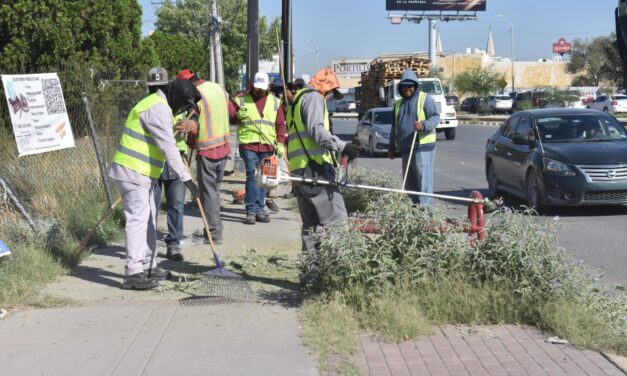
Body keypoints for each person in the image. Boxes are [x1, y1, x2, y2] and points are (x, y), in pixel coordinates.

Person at [109, 71, 200, 290]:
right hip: (133, 171)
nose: (181, 110)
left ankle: (148, 264)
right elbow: (168, 147)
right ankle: (133, 272)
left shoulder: (160, 106)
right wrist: (188, 180)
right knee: (138, 220)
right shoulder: (156, 108)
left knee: (149, 219)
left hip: (143, 173)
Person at [286, 67, 360, 255]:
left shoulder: (297, 100)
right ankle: (338, 269)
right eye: (331, 95)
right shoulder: (314, 98)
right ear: (326, 88)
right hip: (314, 169)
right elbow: (317, 132)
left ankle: (310, 272)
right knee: (337, 220)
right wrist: (343, 147)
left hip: (299, 171)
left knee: (311, 227)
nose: (329, 99)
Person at [176, 69, 231, 245]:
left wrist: (191, 138)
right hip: (223, 147)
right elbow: (229, 112)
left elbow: (195, 124)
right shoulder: (218, 88)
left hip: (208, 150)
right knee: (214, 192)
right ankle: (215, 229)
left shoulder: (196, 95)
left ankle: (214, 233)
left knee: (208, 195)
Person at [232, 72, 286, 225]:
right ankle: (251, 210)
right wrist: (237, 116)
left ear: (268, 87)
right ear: (252, 86)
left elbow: (280, 124)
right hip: (248, 144)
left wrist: (280, 142)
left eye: (262, 88)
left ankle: (259, 207)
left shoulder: (275, 102)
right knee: (251, 175)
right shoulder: (240, 100)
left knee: (264, 178)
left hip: (267, 145)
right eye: (257, 88)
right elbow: (230, 118)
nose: (259, 91)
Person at [148, 68, 189, 262]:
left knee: (176, 205)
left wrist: (190, 126)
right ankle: (149, 248)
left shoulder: (179, 104)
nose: (157, 91)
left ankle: (173, 244)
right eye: (154, 88)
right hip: (153, 163)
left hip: (176, 163)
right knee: (151, 208)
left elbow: (195, 123)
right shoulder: (148, 106)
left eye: (161, 87)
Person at [387, 68, 440, 206]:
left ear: (415, 86)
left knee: (423, 183)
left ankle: (425, 212)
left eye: (410, 86)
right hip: (406, 150)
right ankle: (413, 210)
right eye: (405, 86)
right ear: (401, 88)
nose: (408, 89)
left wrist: (423, 125)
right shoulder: (398, 104)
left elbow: (435, 117)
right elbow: (395, 127)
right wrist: (391, 146)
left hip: (422, 147)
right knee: (409, 183)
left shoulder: (425, 99)